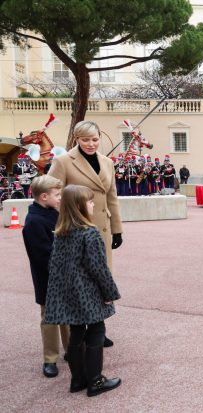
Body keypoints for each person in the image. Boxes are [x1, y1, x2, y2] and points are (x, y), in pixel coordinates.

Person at [48, 120, 122, 346]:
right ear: (76, 140)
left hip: (102, 230)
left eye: (95, 139)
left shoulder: (107, 162)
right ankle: (77, 335)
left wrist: (117, 229)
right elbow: (51, 192)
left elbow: (112, 197)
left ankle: (99, 327)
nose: (91, 144)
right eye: (85, 139)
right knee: (80, 282)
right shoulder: (63, 161)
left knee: (102, 278)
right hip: (76, 232)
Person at [44, 185, 121, 397]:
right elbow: (98, 268)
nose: (93, 204)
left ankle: (78, 379)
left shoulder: (62, 232)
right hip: (87, 291)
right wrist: (110, 293)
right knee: (97, 330)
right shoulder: (90, 233)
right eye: (89, 201)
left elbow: (56, 265)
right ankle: (95, 381)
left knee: (77, 332)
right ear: (79, 206)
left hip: (69, 291)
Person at [21, 175, 69, 378]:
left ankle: (71, 350)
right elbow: (42, 256)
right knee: (49, 318)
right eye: (57, 195)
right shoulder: (34, 222)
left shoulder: (52, 213)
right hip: (48, 278)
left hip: (65, 274)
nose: (60, 198)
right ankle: (50, 358)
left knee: (68, 315)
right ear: (43, 196)